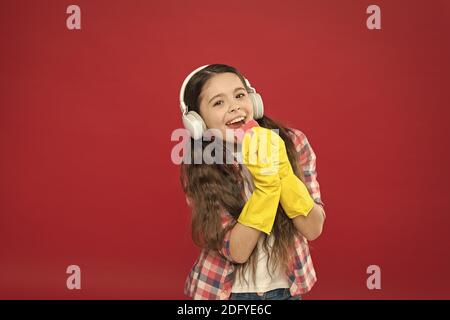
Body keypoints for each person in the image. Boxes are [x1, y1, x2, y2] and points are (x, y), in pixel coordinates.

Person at [178, 64, 326, 300]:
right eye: (218, 102)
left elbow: (313, 228)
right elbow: (237, 251)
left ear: (254, 100)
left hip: (287, 290)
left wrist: (284, 174)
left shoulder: (293, 143)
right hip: (225, 292)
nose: (235, 106)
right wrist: (266, 189)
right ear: (197, 122)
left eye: (239, 95)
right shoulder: (201, 165)